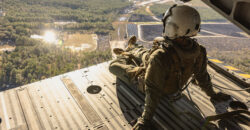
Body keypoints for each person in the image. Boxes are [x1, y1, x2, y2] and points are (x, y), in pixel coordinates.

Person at [109, 4, 230, 130]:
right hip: (160, 71)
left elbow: (152, 90)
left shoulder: (161, 56)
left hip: (148, 79)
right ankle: (132, 47)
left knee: (113, 66)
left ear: (172, 27)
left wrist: (145, 120)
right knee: (147, 55)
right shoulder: (198, 52)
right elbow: (202, 77)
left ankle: (125, 55)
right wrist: (212, 95)